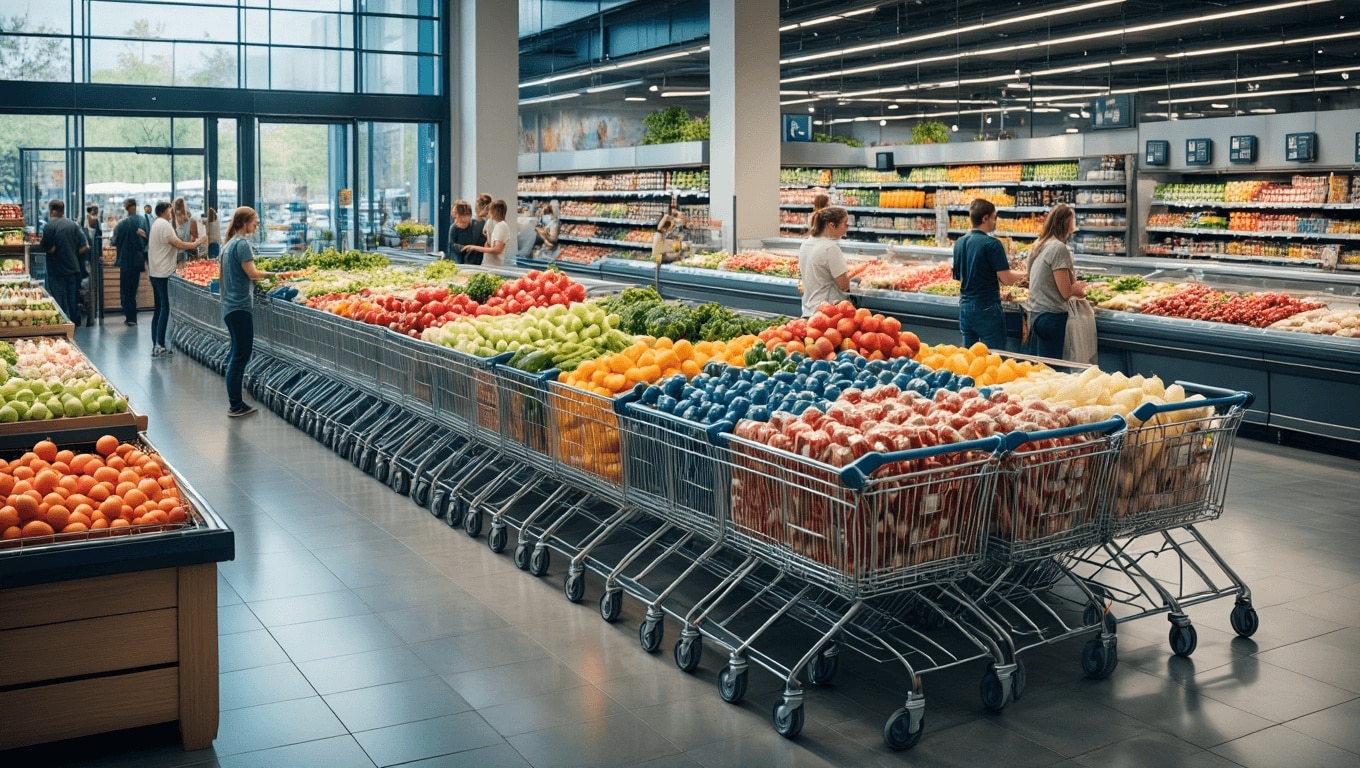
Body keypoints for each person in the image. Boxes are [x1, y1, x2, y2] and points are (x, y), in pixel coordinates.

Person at [220, 207, 277, 417]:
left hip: (230, 307)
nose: (257, 225)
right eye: (255, 221)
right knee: (240, 355)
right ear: (245, 222)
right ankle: (235, 404)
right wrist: (273, 275)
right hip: (240, 307)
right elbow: (252, 273)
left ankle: (235, 402)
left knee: (235, 353)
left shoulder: (229, 244)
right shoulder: (242, 244)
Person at [952, 199, 1024, 350]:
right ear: (985, 218)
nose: (995, 222)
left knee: (968, 357)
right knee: (994, 357)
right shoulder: (992, 244)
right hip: (987, 308)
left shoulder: (959, 243)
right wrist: (1029, 273)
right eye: (994, 217)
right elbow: (1007, 279)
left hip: (965, 307)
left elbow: (958, 277)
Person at [1025, 203, 1088, 360]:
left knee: (1039, 369)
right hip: (1052, 317)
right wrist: (1080, 290)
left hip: (1035, 315)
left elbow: (1030, 277)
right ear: (1067, 222)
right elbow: (1066, 292)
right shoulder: (1058, 248)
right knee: (1053, 371)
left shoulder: (1038, 245)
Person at [148, 200, 206, 358]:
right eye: (170, 210)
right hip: (164, 273)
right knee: (165, 309)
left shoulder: (156, 224)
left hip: (155, 272)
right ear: (165, 211)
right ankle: (160, 346)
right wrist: (197, 243)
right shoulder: (165, 225)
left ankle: (155, 343)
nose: (171, 212)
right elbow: (179, 244)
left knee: (158, 309)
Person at [38, 199, 87, 326]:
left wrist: (51, 249)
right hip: (73, 269)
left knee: (58, 299)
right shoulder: (73, 225)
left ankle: (61, 324)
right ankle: (75, 322)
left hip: (56, 269)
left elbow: (45, 246)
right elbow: (84, 246)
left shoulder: (49, 226)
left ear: (52, 211)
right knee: (72, 298)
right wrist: (73, 254)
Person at [798, 206, 852, 317]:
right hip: (828, 312)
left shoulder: (806, 244)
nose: (847, 228)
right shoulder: (830, 248)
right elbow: (843, 285)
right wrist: (856, 277)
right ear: (831, 225)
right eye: (845, 224)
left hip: (809, 309)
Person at [108, 197, 148, 326]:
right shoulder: (143, 221)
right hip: (137, 261)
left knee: (126, 290)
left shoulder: (122, 224)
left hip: (125, 261)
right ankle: (133, 316)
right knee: (133, 289)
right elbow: (148, 239)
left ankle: (129, 316)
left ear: (127, 207)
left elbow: (113, 241)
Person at [463, 199, 510, 267]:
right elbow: (487, 239)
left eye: (489, 211)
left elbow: (497, 250)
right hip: (487, 263)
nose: (487, 214)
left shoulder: (501, 226)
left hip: (494, 265)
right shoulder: (493, 224)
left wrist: (474, 247)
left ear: (493, 212)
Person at [445, 199, 482, 263]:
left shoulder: (477, 225)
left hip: (474, 257)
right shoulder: (454, 228)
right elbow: (452, 245)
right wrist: (464, 248)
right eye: (455, 218)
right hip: (458, 256)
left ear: (469, 215)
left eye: (461, 216)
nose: (457, 220)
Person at [171, 197, 197, 263]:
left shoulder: (171, 221)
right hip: (183, 253)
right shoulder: (191, 221)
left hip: (174, 253)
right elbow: (194, 238)